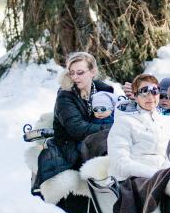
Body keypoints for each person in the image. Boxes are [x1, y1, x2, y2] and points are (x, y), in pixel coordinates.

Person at [34, 51, 118, 191]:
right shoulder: (65, 96)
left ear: (93, 72)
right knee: (109, 144)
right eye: (71, 73)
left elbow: (115, 114)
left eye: (80, 72)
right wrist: (111, 128)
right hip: (71, 146)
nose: (75, 77)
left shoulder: (104, 90)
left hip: (96, 140)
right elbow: (77, 129)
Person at [106, 74, 170, 181]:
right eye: (144, 92)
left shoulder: (169, 122)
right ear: (135, 96)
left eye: (154, 91)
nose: (150, 97)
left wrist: (166, 173)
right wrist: (155, 175)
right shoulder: (124, 122)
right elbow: (119, 162)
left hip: (164, 177)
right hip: (134, 179)